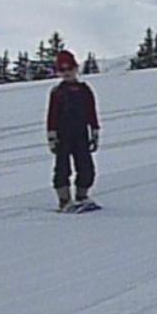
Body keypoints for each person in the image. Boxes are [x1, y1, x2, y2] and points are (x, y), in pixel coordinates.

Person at [45, 50, 101, 210]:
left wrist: (95, 131)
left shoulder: (85, 90)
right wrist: (52, 136)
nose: (66, 73)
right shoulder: (57, 93)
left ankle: (82, 195)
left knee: (86, 167)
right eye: (62, 70)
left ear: (76, 69)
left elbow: (91, 112)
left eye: (69, 68)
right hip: (63, 135)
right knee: (62, 168)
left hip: (81, 134)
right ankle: (64, 200)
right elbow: (52, 116)